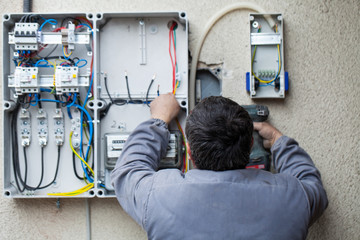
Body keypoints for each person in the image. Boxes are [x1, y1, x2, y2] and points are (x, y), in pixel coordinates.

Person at [111, 93, 328, 240]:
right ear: (251, 144)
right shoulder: (295, 199)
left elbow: (127, 171)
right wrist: (280, 142)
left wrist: (158, 119)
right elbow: (312, 185)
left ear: (189, 149)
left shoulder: (156, 197)